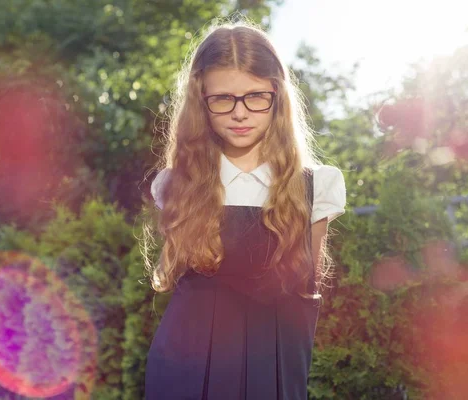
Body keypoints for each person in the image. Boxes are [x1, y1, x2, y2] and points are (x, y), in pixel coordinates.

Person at [143, 18, 346, 400]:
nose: (240, 113)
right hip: (185, 377)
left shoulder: (317, 187)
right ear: (200, 102)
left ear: (277, 97)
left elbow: (306, 295)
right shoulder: (177, 186)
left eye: (255, 96)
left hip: (274, 371)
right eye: (222, 99)